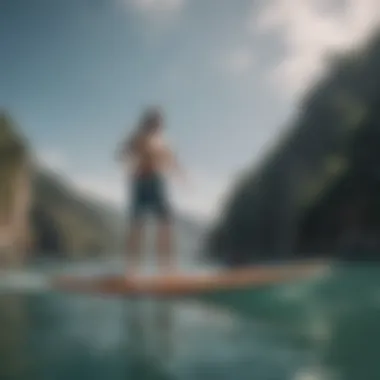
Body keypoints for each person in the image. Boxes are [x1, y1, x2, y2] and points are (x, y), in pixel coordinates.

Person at [117, 107, 185, 278]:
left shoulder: (162, 141)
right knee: (137, 226)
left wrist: (182, 175)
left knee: (166, 224)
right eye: (156, 122)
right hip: (140, 182)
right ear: (148, 122)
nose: (159, 125)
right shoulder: (137, 136)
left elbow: (172, 160)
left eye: (160, 122)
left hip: (156, 182)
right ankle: (131, 269)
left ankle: (167, 268)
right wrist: (132, 160)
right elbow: (122, 153)